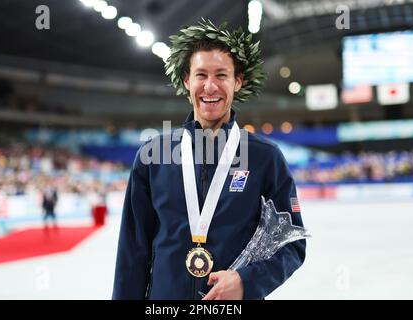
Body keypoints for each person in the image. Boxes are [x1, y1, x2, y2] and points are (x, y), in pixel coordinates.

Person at [112, 19, 306, 300]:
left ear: (238, 81)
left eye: (222, 75)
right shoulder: (153, 155)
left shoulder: (265, 157)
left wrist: (246, 282)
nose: (210, 87)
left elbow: (292, 242)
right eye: (201, 75)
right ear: (187, 81)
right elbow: (132, 251)